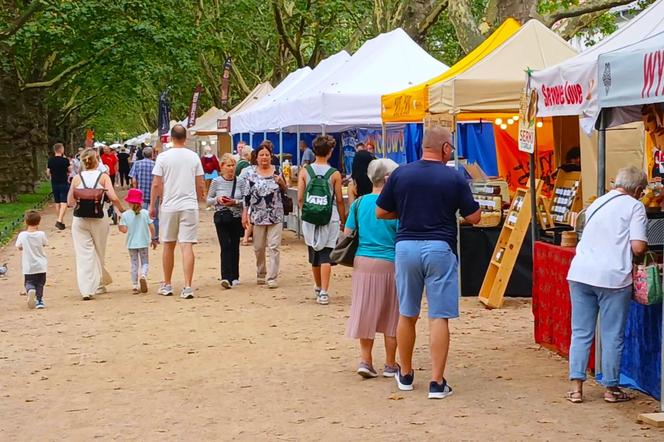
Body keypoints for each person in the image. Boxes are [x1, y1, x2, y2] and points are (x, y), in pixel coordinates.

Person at [376, 125, 481, 399]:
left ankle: (407, 374)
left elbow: (381, 211)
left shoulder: (400, 173)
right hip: (440, 247)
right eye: (452, 148)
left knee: (407, 312)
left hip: (406, 246)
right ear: (445, 147)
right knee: (439, 315)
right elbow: (475, 218)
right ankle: (436, 381)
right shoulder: (454, 178)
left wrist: (407, 212)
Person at [565, 166, 648, 404]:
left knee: (580, 332)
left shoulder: (597, 202)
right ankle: (611, 388)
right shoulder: (635, 207)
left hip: (580, 272)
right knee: (612, 335)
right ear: (639, 190)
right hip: (613, 278)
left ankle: (576, 388)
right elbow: (638, 246)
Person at [345, 158, 400, 378]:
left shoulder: (359, 203)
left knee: (365, 309)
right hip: (391, 261)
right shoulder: (396, 205)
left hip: (363, 261)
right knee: (393, 314)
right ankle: (390, 363)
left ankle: (366, 360)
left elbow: (348, 234)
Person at [149, 124, 205, 299]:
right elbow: (200, 182)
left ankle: (167, 284)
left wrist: (152, 205)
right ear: (185, 138)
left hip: (169, 205)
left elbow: (157, 184)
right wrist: (200, 197)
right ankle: (188, 286)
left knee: (168, 245)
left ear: (171, 138)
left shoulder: (163, 157)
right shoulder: (194, 156)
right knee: (187, 245)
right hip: (189, 205)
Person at [67, 148, 125, 300]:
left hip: (80, 219)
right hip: (99, 217)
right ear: (97, 160)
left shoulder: (76, 179)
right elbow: (113, 197)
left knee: (83, 254)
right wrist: (121, 210)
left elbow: (70, 202)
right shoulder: (103, 177)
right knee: (99, 251)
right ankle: (99, 284)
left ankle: (86, 289)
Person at [298, 135, 346, 305]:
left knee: (314, 254)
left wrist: (308, 212)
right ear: (330, 152)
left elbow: (300, 198)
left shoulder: (305, 171)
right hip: (329, 216)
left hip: (310, 217)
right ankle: (324, 292)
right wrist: (342, 219)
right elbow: (339, 199)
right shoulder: (334, 174)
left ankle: (318, 286)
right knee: (326, 254)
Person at [241, 141, 286, 289]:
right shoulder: (251, 173)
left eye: (267, 155)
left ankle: (272, 277)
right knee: (258, 247)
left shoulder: (277, 171)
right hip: (258, 215)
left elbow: (285, 190)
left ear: (271, 157)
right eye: (262, 155)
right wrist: (245, 213)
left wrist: (281, 183)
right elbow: (246, 196)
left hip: (276, 214)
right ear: (257, 157)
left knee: (274, 246)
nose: (264, 157)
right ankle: (261, 272)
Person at [208, 154, 244, 289]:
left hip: (236, 216)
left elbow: (246, 200)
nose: (231, 168)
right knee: (225, 246)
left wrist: (235, 202)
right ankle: (225, 276)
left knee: (235, 245)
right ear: (222, 167)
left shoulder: (240, 181)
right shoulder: (216, 181)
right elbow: (208, 199)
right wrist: (217, 199)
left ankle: (235, 275)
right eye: (228, 165)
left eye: (233, 165)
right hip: (222, 217)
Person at [119, 188, 155, 294]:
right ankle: (143, 275)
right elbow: (152, 227)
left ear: (129, 202)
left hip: (131, 243)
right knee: (145, 262)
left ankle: (135, 285)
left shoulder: (125, 215)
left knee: (134, 264)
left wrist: (120, 226)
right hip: (143, 242)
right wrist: (154, 238)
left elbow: (124, 230)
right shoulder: (145, 213)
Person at [16, 210, 48, 309]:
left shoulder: (22, 235)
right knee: (40, 283)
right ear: (38, 222)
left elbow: (18, 246)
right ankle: (39, 301)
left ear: (26, 222)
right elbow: (45, 243)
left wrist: (22, 247)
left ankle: (30, 290)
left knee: (28, 282)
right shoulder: (41, 234)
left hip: (28, 265)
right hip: (41, 264)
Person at [129, 146, 159, 243]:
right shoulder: (155, 165)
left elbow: (134, 180)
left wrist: (136, 190)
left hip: (140, 196)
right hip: (153, 196)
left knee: (139, 216)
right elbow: (159, 181)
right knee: (154, 217)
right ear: (152, 154)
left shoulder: (137, 164)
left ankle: (141, 237)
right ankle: (155, 237)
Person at [46, 143, 71, 231]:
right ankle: (59, 220)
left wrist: (51, 176)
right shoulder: (65, 160)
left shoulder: (50, 160)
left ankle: (61, 222)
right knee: (64, 201)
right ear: (61, 150)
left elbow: (48, 172)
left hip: (54, 182)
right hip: (63, 181)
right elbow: (70, 170)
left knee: (57, 202)